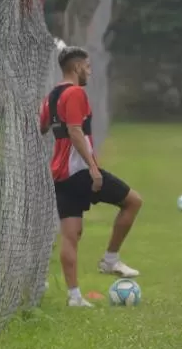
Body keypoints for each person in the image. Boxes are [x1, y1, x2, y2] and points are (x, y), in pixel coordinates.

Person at [39, 46, 143, 308]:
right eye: (87, 66)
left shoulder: (51, 97)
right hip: (80, 172)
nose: (89, 71)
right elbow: (75, 132)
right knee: (133, 202)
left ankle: (75, 297)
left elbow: (41, 127)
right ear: (76, 68)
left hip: (60, 174)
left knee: (71, 234)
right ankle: (110, 259)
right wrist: (94, 169)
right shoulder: (75, 93)